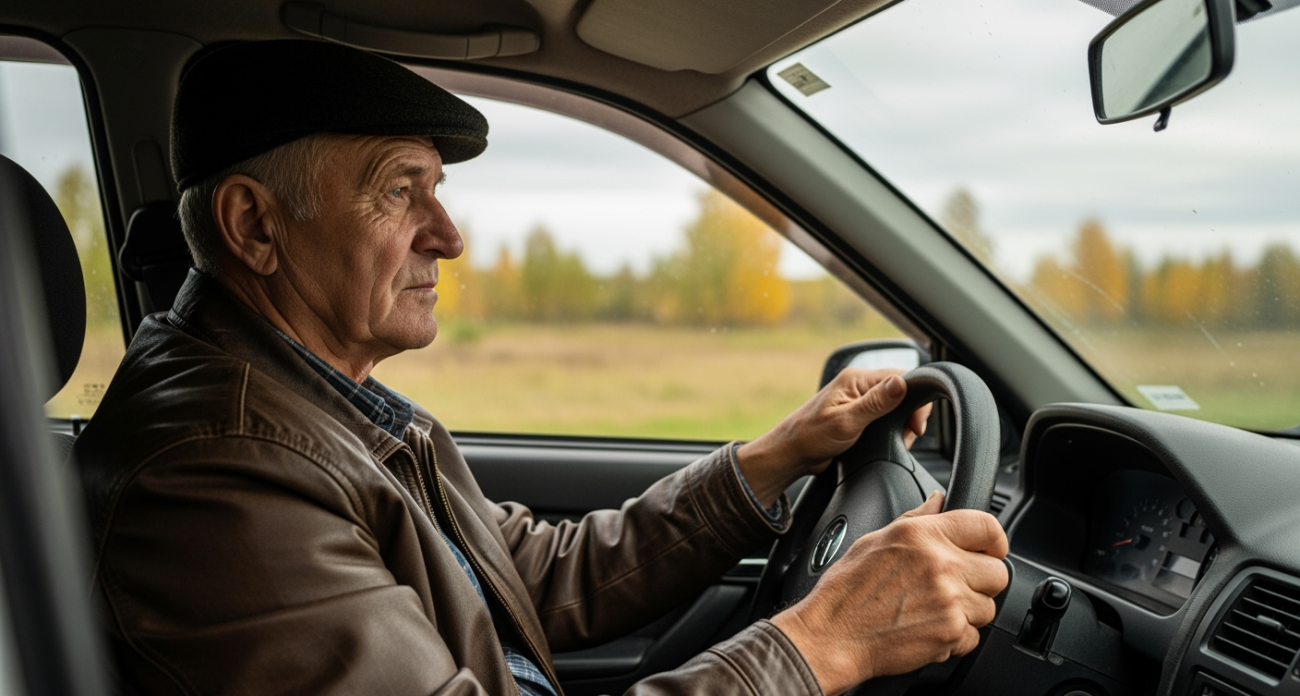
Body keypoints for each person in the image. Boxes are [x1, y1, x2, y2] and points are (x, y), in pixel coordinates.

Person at [74, 39, 1008, 696]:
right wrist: (822, 641)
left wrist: (779, 455)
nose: (448, 236)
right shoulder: (215, 475)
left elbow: (530, 580)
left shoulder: (318, 404)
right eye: (400, 190)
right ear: (254, 226)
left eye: (437, 192)